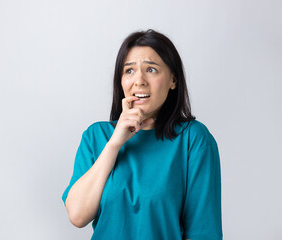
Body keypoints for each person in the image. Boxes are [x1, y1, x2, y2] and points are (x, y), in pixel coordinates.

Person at [62, 29, 222, 240]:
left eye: (152, 70)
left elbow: (204, 233)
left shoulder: (193, 139)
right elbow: (78, 215)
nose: (139, 80)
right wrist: (114, 144)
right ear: (120, 81)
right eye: (129, 71)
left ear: (173, 80)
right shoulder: (96, 136)